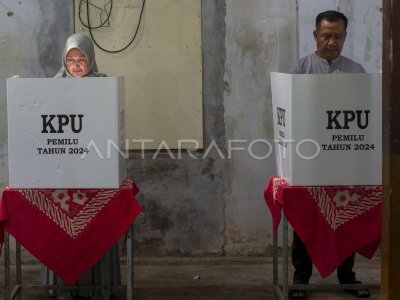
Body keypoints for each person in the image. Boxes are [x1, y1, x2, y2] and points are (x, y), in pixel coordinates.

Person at [288, 11, 370, 299]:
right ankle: (301, 279)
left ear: (345, 37)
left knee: (346, 218)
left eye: (337, 36)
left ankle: (347, 277)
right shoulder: (300, 69)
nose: (332, 42)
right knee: (305, 221)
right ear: (315, 36)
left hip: (344, 160)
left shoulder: (356, 71)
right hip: (308, 160)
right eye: (326, 36)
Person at [41, 33, 120, 300]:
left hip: (96, 172)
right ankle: (64, 287)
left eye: (81, 58)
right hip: (64, 173)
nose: (75, 64)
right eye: (70, 59)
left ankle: (99, 287)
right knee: (63, 230)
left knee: (95, 230)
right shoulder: (53, 87)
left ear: (91, 59)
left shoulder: (104, 86)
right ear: (64, 60)